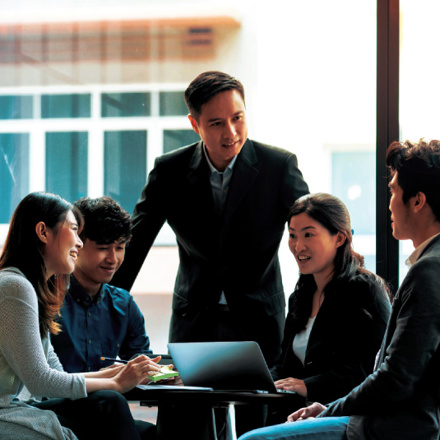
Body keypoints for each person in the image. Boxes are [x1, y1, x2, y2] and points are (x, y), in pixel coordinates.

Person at [238, 138, 440, 440]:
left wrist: (327, 409)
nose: (389, 203)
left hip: (386, 427)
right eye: (292, 235)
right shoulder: (302, 293)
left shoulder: (426, 271)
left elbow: (394, 378)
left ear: (418, 201)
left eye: (393, 191)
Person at [112, 71, 309, 369]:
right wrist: (99, 304)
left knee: (262, 416)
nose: (230, 132)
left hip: (260, 320)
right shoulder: (169, 171)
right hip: (193, 321)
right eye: (216, 123)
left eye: (237, 118)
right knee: (186, 415)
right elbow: (134, 244)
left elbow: (312, 233)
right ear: (195, 124)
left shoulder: (279, 167)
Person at [0, 192, 161, 440]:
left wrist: (120, 374)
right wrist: (116, 383)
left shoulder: (33, 290)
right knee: (109, 403)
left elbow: (57, 373)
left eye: (120, 248)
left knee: (131, 420)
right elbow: (41, 381)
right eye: (74, 230)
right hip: (7, 414)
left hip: (19, 408)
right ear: (43, 232)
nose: (79, 242)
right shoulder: (15, 287)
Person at [266, 193, 391, 425]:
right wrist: (260, 380)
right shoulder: (299, 296)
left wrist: (308, 386)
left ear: (340, 238)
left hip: (344, 417)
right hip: (297, 416)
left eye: (308, 235)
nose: (297, 246)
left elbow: (374, 368)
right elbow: (285, 367)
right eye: (292, 235)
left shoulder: (366, 290)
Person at [51, 196, 153, 374]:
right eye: (103, 248)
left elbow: (143, 365)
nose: (113, 259)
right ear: (75, 245)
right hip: (54, 399)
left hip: (106, 400)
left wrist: (162, 375)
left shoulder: (124, 304)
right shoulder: (46, 298)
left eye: (120, 248)